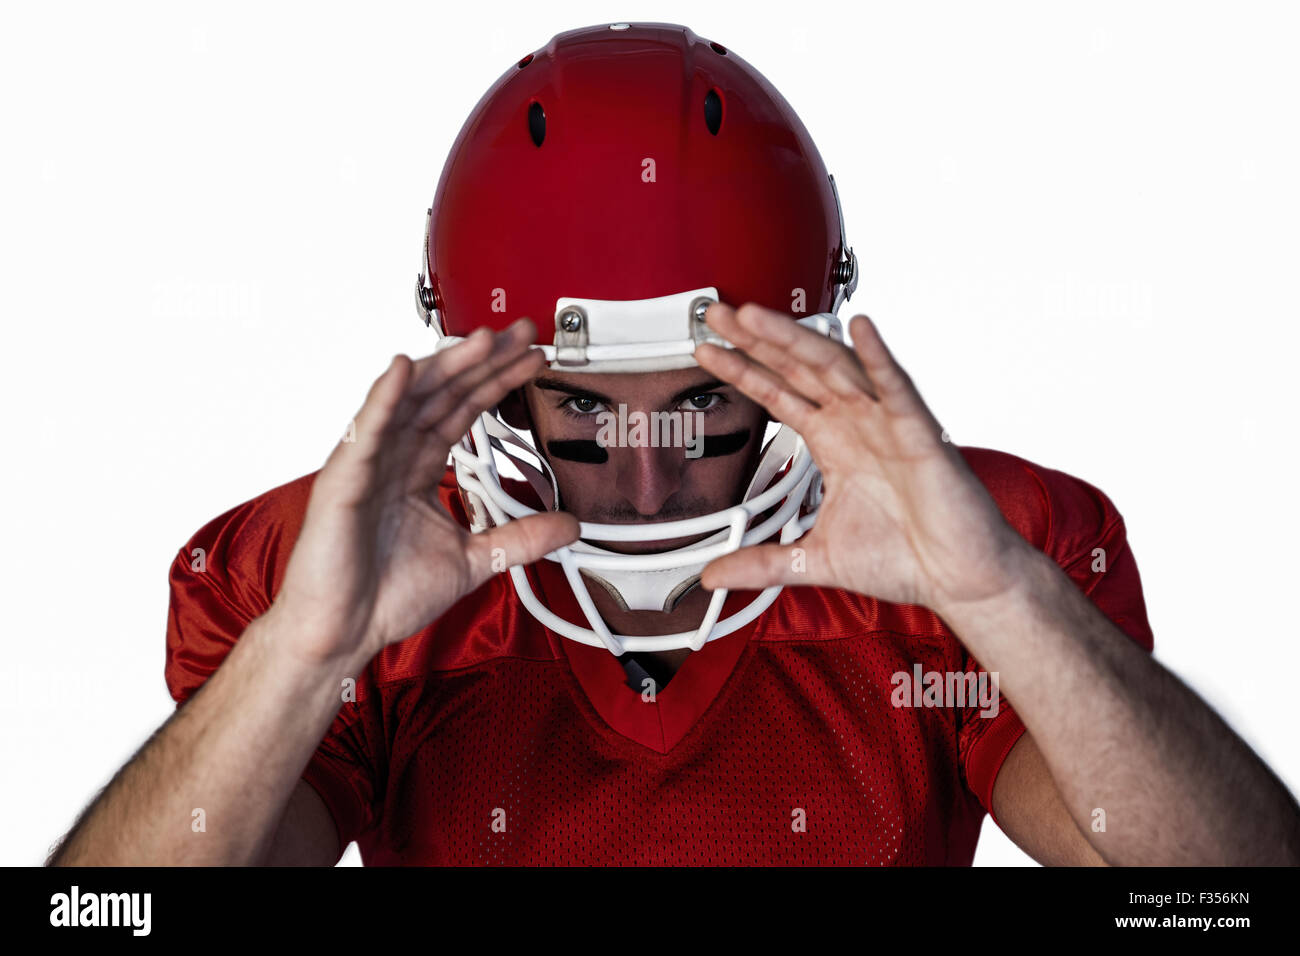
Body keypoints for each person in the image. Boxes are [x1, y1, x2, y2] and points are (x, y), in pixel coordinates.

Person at [49, 22, 1300, 866]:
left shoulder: (957, 564)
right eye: (586, 409)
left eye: (702, 404)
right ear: (492, 387)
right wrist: (299, 654)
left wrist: (999, 594)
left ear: (796, 366)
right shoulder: (345, 581)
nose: (645, 483)